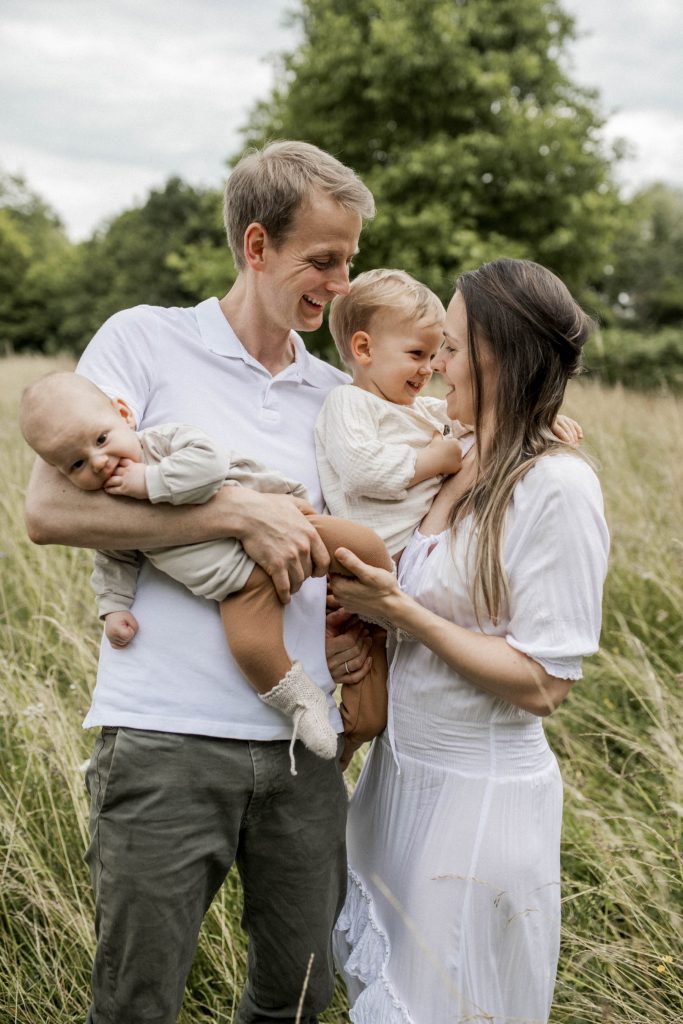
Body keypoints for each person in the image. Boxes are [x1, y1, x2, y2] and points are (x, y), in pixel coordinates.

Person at [22, 140, 377, 1024]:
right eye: (321, 261)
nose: (338, 285)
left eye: (348, 263)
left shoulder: (334, 395)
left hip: (304, 753)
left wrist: (526, 430)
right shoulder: (143, 341)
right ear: (256, 248)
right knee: (138, 1002)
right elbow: (51, 511)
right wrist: (234, 514)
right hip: (163, 743)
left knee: (296, 997)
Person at [328, 258, 610, 1023]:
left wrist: (402, 613)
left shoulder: (555, 485)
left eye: (449, 346)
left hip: (476, 802)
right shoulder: (460, 451)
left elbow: (544, 683)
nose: (436, 363)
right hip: (398, 782)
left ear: (499, 356)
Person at [19, 371, 393, 774]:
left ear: (123, 414)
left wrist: (148, 481)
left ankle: (388, 612)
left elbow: (209, 464)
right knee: (254, 649)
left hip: (293, 528)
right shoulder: (113, 507)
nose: (98, 462)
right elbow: (113, 559)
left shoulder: (159, 445)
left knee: (364, 545)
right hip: (240, 585)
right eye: (77, 464)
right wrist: (114, 609)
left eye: (101, 440)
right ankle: (303, 704)